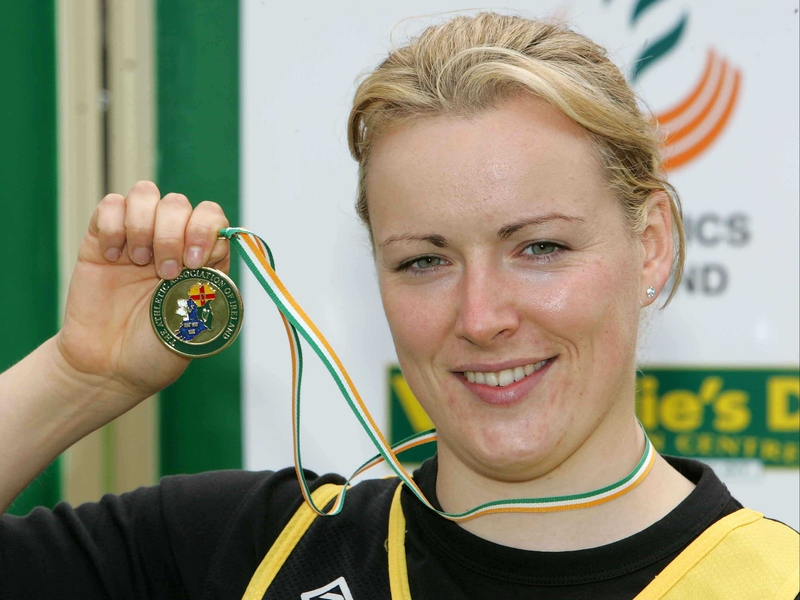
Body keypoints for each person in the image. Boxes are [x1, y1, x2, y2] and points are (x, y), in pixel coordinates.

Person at [0, 12, 797, 600]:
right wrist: (78, 377)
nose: (481, 317)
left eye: (540, 248)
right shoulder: (247, 552)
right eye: (424, 260)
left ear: (651, 240)